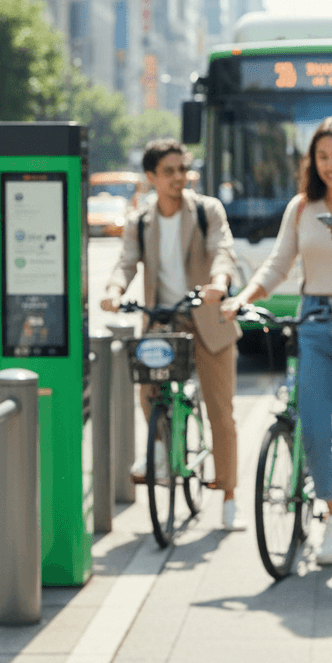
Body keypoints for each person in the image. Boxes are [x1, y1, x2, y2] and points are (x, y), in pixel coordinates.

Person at [222, 116, 332, 565]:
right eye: (322, 157)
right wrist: (242, 297)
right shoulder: (301, 207)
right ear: (311, 161)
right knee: (313, 429)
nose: (331, 166)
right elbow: (279, 265)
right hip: (313, 323)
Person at [102, 138, 244, 531]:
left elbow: (222, 249)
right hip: (162, 319)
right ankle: (161, 450)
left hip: (207, 318)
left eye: (183, 169)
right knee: (147, 394)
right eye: (169, 171)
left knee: (220, 410)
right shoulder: (140, 220)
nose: (179, 177)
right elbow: (126, 262)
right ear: (151, 177)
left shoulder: (206, 210)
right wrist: (114, 291)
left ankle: (229, 495)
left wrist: (219, 282)